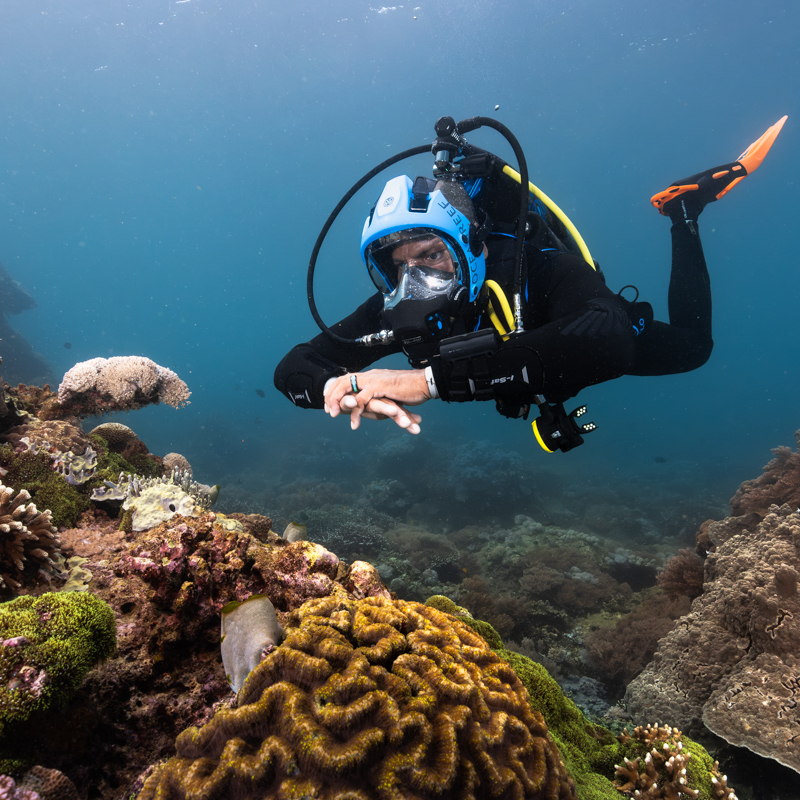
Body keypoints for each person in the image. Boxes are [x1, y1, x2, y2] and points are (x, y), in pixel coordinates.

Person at [274, 116, 786, 452]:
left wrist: (422, 383)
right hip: (520, 367)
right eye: (397, 266)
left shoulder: (535, 267)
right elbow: (292, 368)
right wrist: (335, 389)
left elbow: (611, 343)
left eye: (433, 255)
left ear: (469, 245)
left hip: (571, 334)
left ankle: (684, 212)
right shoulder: (396, 304)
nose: (416, 280)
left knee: (694, 349)